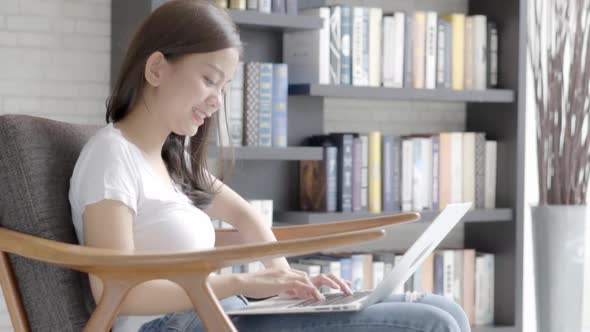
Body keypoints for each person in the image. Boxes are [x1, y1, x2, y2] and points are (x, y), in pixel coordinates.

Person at [68, 1, 471, 331]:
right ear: (156, 68)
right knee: (431, 323)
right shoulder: (112, 157)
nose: (216, 102)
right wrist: (244, 281)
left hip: (220, 313)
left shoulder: (171, 161)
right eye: (209, 79)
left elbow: (245, 216)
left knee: (446, 309)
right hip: (171, 325)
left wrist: (286, 282)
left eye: (224, 87)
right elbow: (113, 290)